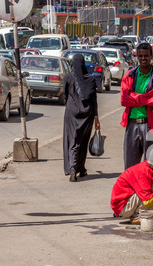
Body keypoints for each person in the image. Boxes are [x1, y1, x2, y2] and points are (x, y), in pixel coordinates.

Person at [120, 42, 153, 170]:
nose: (143, 59)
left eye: (146, 56)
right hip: (132, 124)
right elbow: (124, 100)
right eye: (140, 56)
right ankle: (132, 190)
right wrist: (145, 99)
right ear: (137, 56)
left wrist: (133, 97)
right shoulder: (129, 76)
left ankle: (150, 191)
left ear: (152, 56)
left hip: (152, 125)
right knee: (130, 168)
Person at [62, 54, 100, 182]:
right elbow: (94, 100)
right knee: (83, 141)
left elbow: (66, 96)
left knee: (73, 140)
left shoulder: (68, 78)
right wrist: (96, 119)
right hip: (87, 114)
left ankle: (73, 168)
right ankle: (81, 168)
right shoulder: (90, 80)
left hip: (71, 112)